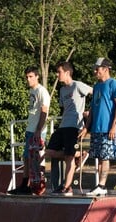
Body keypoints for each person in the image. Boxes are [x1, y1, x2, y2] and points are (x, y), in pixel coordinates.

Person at [45, 61, 92, 196]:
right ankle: (80, 154)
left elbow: (95, 93)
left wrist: (90, 111)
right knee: (50, 152)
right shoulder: (62, 90)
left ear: (67, 73)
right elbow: (65, 108)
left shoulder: (77, 85)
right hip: (63, 125)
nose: (56, 75)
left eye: (59, 72)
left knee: (68, 157)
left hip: (74, 126)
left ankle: (67, 187)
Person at [78, 57, 116, 196]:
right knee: (98, 156)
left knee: (105, 156)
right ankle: (99, 186)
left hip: (108, 128)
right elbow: (92, 109)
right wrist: (86, 128)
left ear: (105, 69)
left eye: (97, 69)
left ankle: (102, 186)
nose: (95, 71)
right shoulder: (96, 86)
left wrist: (113, 126)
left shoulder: (113, 84)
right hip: (96, 128)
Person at [8, 66, 51, 195]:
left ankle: (36, 185)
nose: (28, 79)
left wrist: (39, 129)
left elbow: (44, 111)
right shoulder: (32, 91)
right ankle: (25, 185)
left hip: (37, 130)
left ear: (37, 76)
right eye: (27, 77)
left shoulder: (41, 91)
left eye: (31, 76)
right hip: (30, 129)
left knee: (35, 159)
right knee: (26, 157)